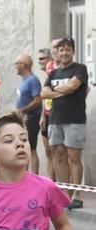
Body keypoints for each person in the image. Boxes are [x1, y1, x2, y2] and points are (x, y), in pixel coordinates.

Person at [42, 37, 88, 210]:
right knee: (59, 156)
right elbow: (44, 93)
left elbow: (73, 87)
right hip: (55, 120)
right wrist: (63, 90)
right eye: (61, 50)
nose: (65, 52)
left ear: (73, 52)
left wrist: (55, 91)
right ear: (57, 53)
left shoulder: (80, 69)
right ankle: (65, 194)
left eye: (68, 49)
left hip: (75, 120)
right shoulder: (53, 74)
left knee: (74, 158)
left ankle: (77, 194)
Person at [14, 54, 42, 174]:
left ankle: (34, 176)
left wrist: (23, 110)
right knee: (24, 147)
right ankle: (24, 175)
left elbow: (37, 101)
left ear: (23, 65)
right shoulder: (24, 81)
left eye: (17, 64)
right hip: (23, 118)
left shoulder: (32, 80)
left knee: (31, 148)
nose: (15, 67)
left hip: (31, 118)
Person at [38, 42, 60, 181]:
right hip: (47, 114)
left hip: (60, 115)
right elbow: (45, 95)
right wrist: (42, 116)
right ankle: (52, 183)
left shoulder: (63, 68)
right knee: (49, 152)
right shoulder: (49, 68)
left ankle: (65, 186)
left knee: (59, 153)